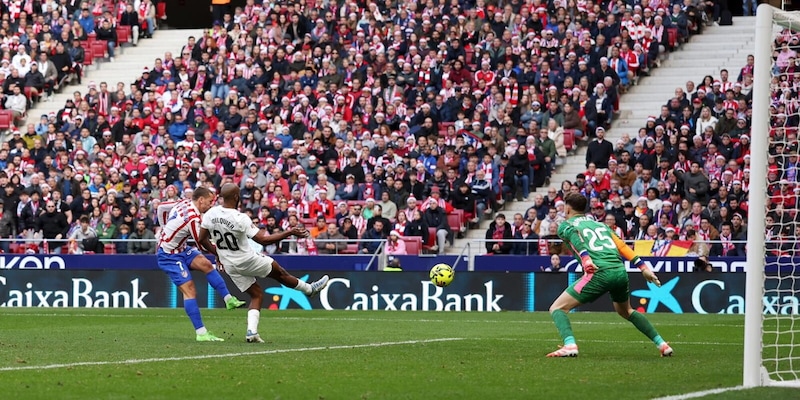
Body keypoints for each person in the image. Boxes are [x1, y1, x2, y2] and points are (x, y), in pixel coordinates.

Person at [546, 192, 673, 358]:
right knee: (626, 311)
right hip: (620, 271)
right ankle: (662, 344)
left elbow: (575, 238)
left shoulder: (566, 225)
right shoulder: (600, 225)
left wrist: (586, 259)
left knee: (557, 308)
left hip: (598, 272)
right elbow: (622, 246)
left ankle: (569, 345)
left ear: (567, 208)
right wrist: (643, 267)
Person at [199, 184, 329, 343]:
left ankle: (251, 332)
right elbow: (263, 240)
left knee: (256, 294)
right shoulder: (240, 218)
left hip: (229, 265)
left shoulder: (210, 214)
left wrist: (218, 253)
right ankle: (309, 289)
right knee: (280, 273)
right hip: (247, 259)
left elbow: (202, 239)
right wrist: (289, 232)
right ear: (236, 197)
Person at [156, 187, 245, 342]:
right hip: (169, 256)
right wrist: (220, 255)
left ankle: (229, 300)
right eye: (210, 202)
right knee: (190, 290)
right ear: (201, 200)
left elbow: (161, 208)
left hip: (181, 249)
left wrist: (164, 226)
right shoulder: (193, 219)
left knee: (206, 264)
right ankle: (201, 333)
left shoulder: (184, 202)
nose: (211, 205)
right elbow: (203, 244)